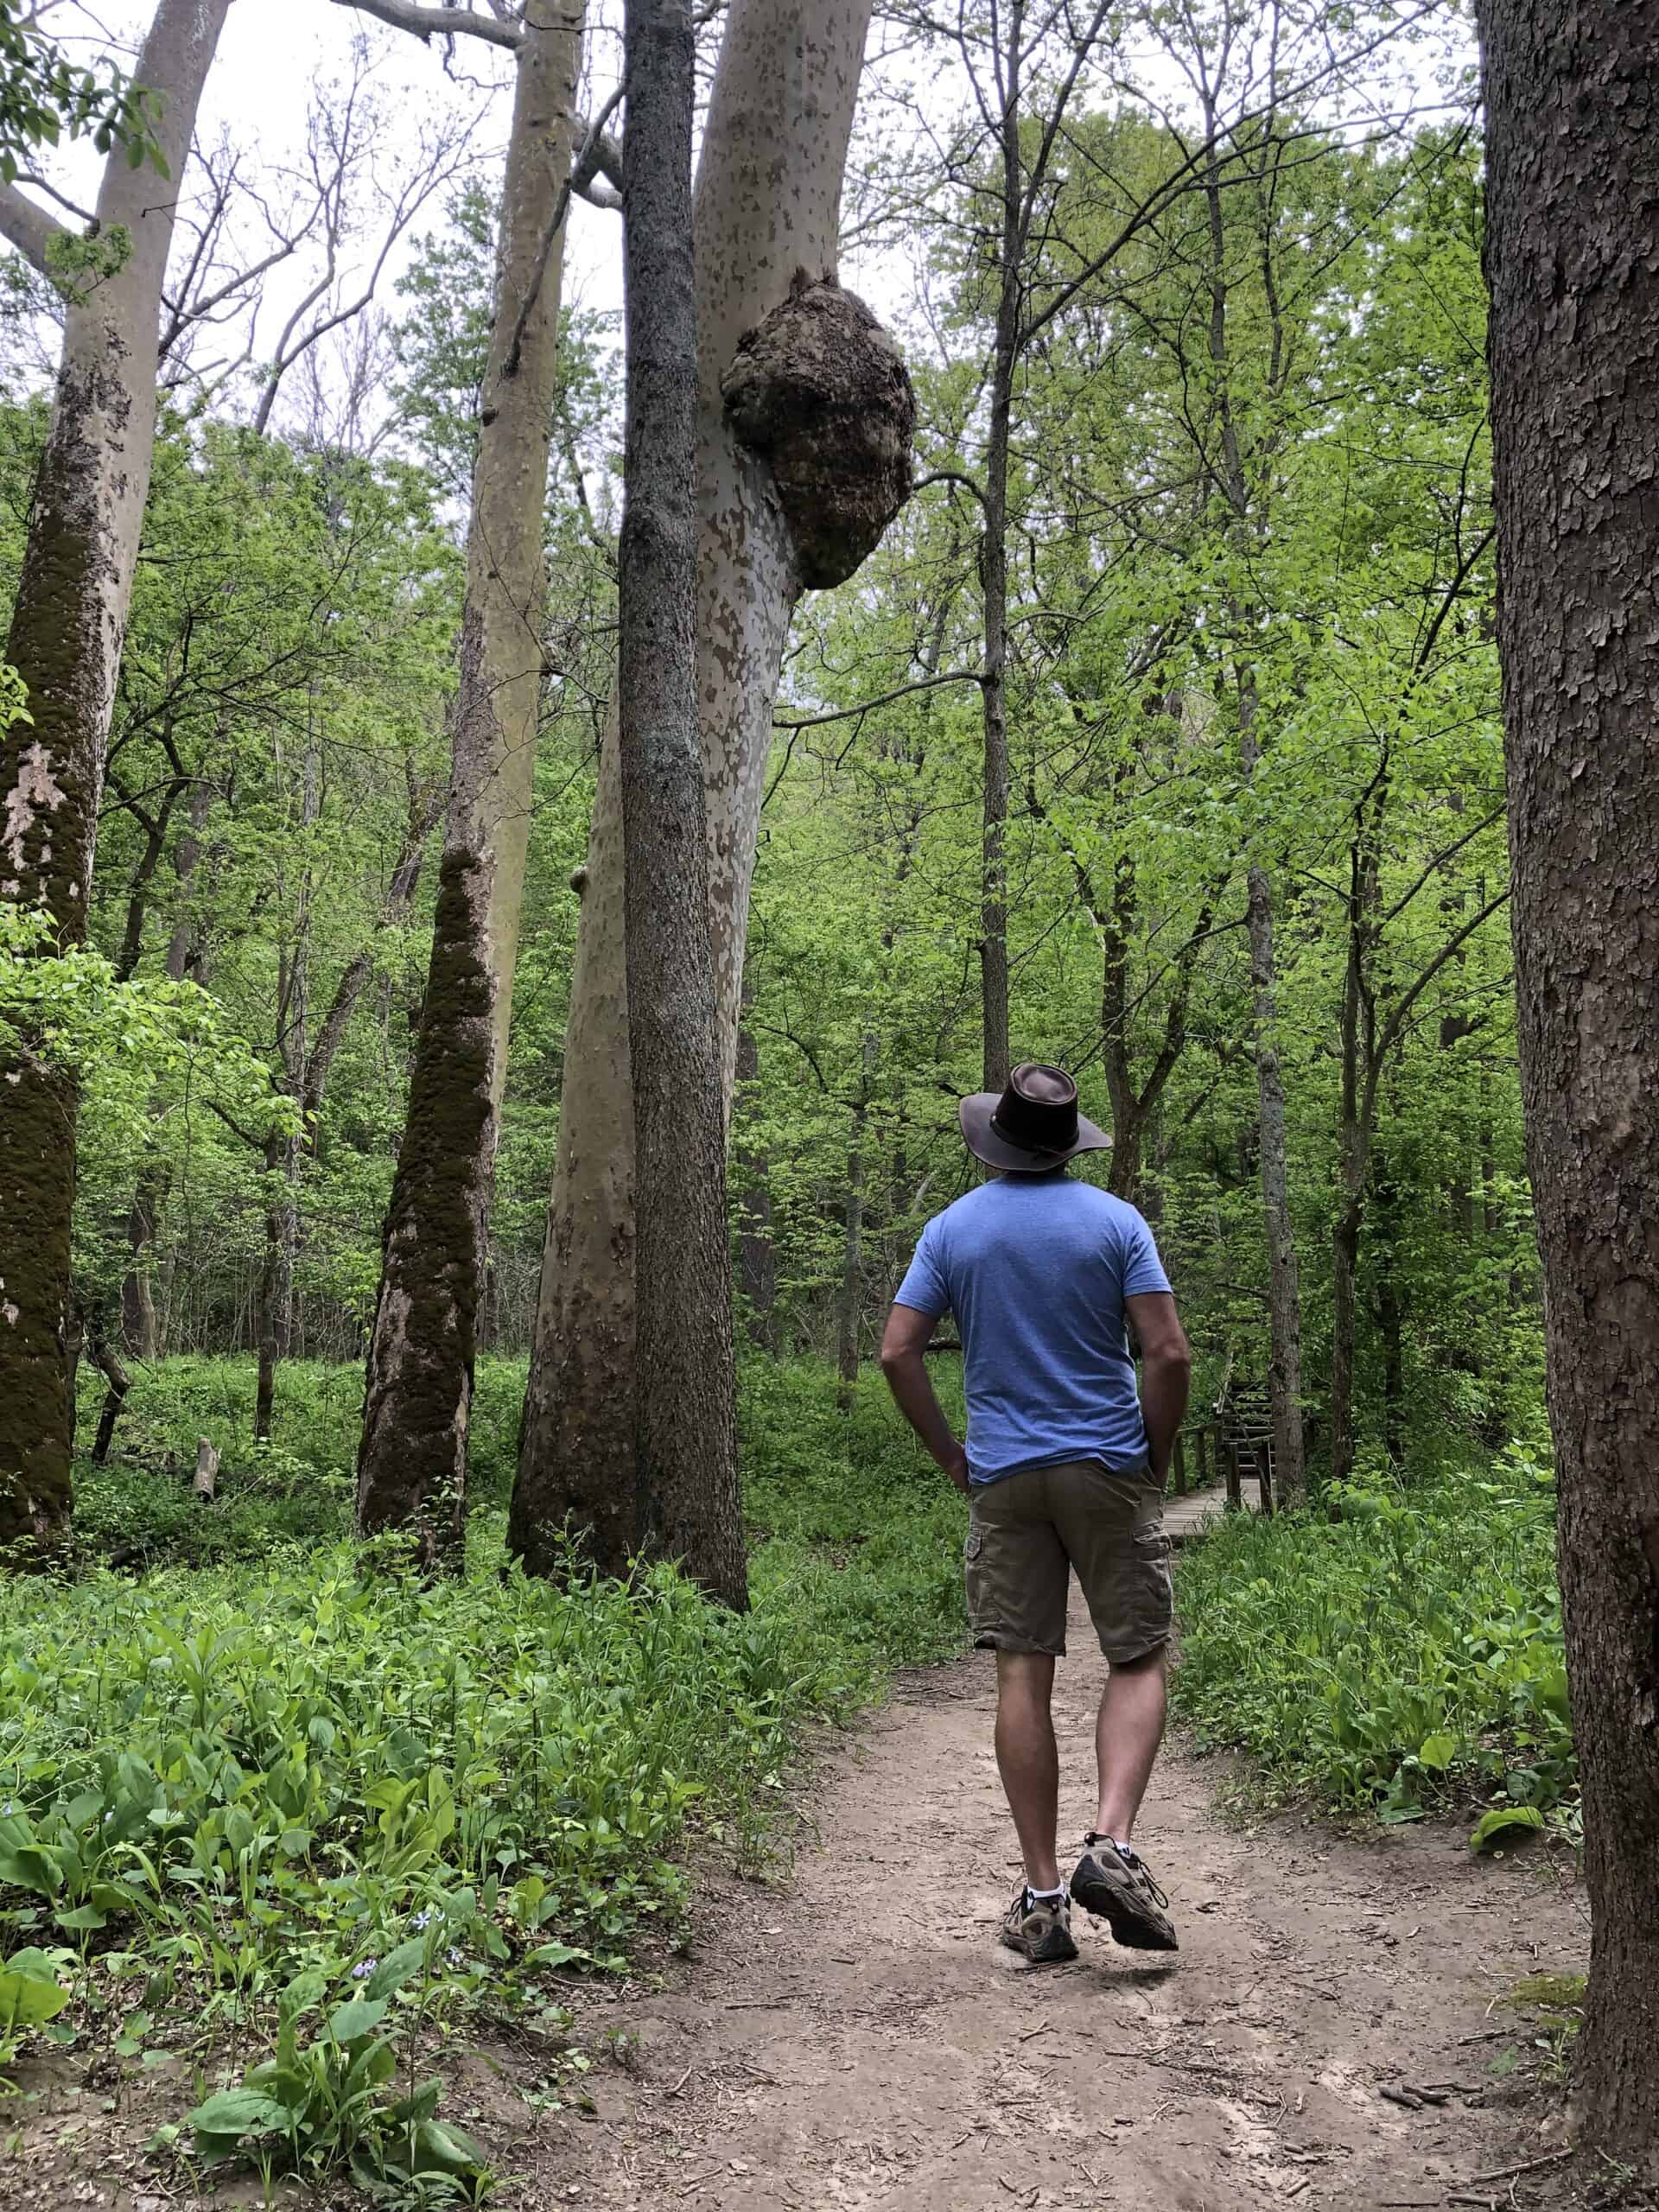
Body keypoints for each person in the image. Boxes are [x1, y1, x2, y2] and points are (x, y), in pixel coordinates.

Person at [880, 1062, 1192, 1966]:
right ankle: (1114, 1844)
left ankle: (1044, 1895)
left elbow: (899, 1350)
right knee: (1135, 1652)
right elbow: (1166, 1352)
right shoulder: (1115, 1222)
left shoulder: (953, 1230)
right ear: (1067, 1145)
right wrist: (1152, 1454)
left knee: (1024, 1672)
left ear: (995, 1142)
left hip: (1005, 1473)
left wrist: (951, 1454)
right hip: (1105, 1462)